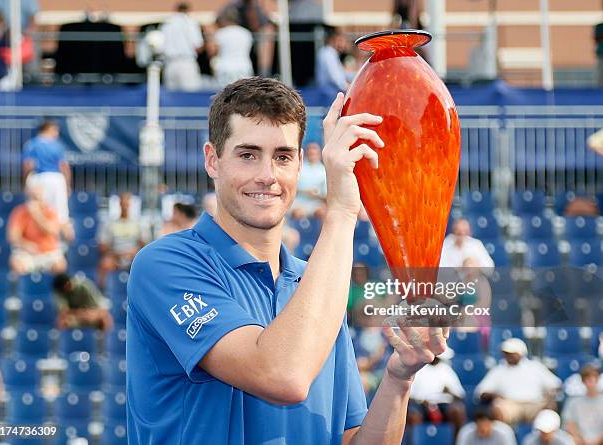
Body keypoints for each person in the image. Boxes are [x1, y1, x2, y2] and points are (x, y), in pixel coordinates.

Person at [127, 76, 449, 444]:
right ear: (212, 160)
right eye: (248, 154)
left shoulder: (314, 283)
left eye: (282, 157)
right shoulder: (167, 263)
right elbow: (283, 376)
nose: (267, 176)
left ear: (298, 165)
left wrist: (399, 377)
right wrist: (342, 210)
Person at [476, 338, 561, 425]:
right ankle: (505, 436)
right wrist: (496, 396)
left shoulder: (535, 367)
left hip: (535, 405)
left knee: (550, 406)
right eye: (506, 353)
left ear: (521, 353)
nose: (509, 356)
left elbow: (556, 385)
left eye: (512, 353)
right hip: (511, 405)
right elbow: (481, 392)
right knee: (498, 408)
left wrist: (550, 396)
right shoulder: (498, 370)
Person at [22, 119, 73, 240]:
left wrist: (25, 182)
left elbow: (28, 165)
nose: (57, 133)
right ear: (48, 128)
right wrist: (68, 184)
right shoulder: (57, 145)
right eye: (55, 130)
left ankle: (44, 241)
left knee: (40, 211)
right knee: (61, 214)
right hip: (55, 179)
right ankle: (61, 244)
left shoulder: (31, 144)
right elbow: (64, 166)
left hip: (37, 180)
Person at [7, 176, 66, 275]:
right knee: (15, 263)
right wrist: (25, 245)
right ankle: (24, 289)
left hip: (49, 253)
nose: (34, 200)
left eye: (37, 197)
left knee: (61, 265)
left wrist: (36, 215)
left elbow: (52, 230)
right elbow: (12, 237)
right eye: (32, 197)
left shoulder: (51, 212)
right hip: (27, 254)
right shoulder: (19, 212)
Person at [408, 348, 467, 434]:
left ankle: (455, 441)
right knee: (414, 416)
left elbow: (460, 395)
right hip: (421, 405)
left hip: (443, 404)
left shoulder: (446, 369)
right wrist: (422, 401)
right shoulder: (418, 368)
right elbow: (410, 395)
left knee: (457, 412)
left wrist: (449, 391)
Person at [217, 0, 275, 77]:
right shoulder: (231, 6)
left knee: (267, 33)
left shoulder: (257, 7)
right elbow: (219, 22)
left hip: (250, 42)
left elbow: (258, 25)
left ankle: (264, 74)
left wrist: (251, 7)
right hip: (234, 44)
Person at [99, 192, 145, 287]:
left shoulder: (138, 223)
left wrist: (134, 252)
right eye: (123, 204)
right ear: (119, 204)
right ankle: (105, 293)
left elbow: (144, 243)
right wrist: (116, 253)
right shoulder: (110, 223)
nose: (125, 207)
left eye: (127, 204)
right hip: (115, 256)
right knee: (105, 264)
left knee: (146, 265)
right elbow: (102, 245)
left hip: (133, 257)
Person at [161, 2, 204, 91]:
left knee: (171, 97)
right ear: (188, 10)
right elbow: (197, 46)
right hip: (186, 62)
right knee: (191, 95)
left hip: (170, 63)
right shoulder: (190, 22)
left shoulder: (167, 24)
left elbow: (161, 46)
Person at [211, 6, 253, 86]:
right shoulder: (246, 33)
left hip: (225, 68)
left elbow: (213, 52)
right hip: (244, 67)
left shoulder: (220, 33)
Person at [562, 364, 603, 445]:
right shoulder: (573, 402)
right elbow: (569, 424)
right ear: (583, 381)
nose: (591, 382)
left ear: (597, 379)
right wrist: (579, 439)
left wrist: (598, 441)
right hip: (580, 442)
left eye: (593, 378)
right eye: (588, 379)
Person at [291, 141, 327, 219]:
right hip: (298, 202)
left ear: (319, 155)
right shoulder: (298, 168)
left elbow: (325, 195)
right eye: (310, 153)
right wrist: (304, 192)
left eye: (314, 154)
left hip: (315, 203)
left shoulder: (324, 171)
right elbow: (290, 188)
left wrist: (317, 195)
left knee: (323, 213)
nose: (312, 156)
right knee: (298, 213)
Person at [316, 27, 350, 94]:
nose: (343, 44)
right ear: (332, 40)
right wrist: (346, 87)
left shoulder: (331, 53)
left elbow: (341, 74)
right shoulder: (328, 53)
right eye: (340, 41)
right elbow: (334, 76)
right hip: (328, 93)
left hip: (329, 91)